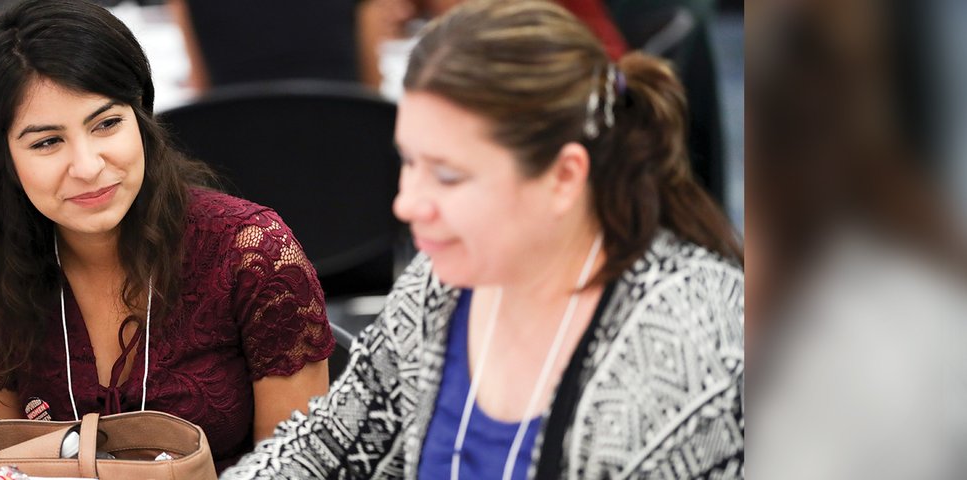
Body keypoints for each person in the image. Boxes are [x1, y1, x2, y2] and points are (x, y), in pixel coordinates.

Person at [223, 0, 743, 478]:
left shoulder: (687, 350)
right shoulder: (443, 284)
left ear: (564, 177)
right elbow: (323, 447)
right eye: (409, 162)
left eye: (448, 176)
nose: (406, 204)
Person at [0, 0, 334, 472]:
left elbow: (298, 469)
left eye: (107, 124)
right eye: (47, 142)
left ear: (142, 119)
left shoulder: (252, 255)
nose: (87, 167)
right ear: (2, 157)